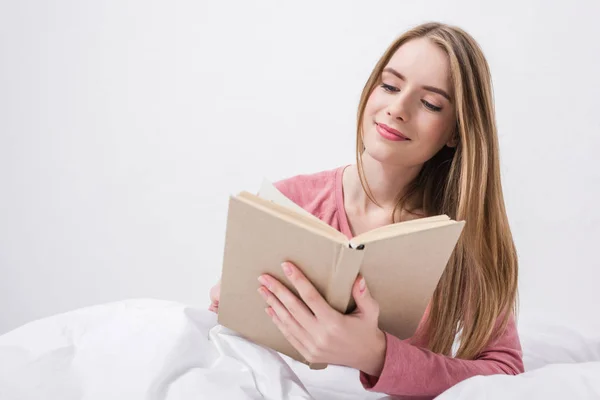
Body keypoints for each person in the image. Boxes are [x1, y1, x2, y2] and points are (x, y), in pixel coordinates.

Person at [208, 21, 524, 398]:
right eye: (390, 86)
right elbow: (225, 346)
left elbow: (505, 370)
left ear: (456, 131)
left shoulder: (461, 243)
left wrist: (376, 355)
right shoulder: (287, 203)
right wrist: (226, 302)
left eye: (430, 103)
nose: (397, 108)